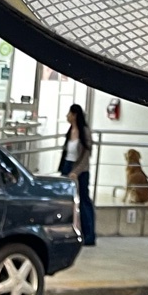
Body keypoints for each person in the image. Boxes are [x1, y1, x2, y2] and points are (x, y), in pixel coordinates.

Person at [59, 103, 96, 246]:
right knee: (67, 201)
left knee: (84, 201)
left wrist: (76, 172)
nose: (67, 116)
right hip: (67, 166)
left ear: (74, 115)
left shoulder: (84, 132)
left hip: (80, 170)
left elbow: (86, 156)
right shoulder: (70, 131)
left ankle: (89, 235)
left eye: (69, 113)